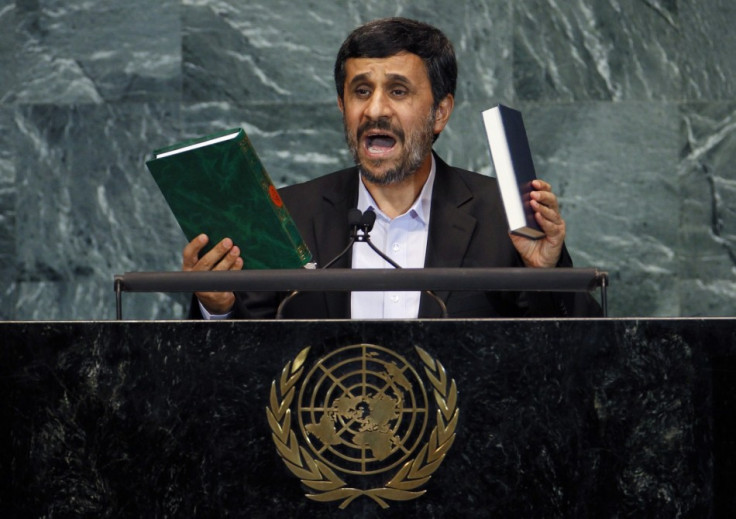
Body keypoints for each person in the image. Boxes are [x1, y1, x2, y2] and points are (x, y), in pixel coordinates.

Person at [182, 17, 602, 319]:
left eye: (398, 91)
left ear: (440, 112)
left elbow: (583, 361)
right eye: (361, 91)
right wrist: (215, 307)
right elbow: (244, 368)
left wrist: (547, 275)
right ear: (343, 107)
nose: (375, 109)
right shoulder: (286, 215)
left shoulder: (502, 215)